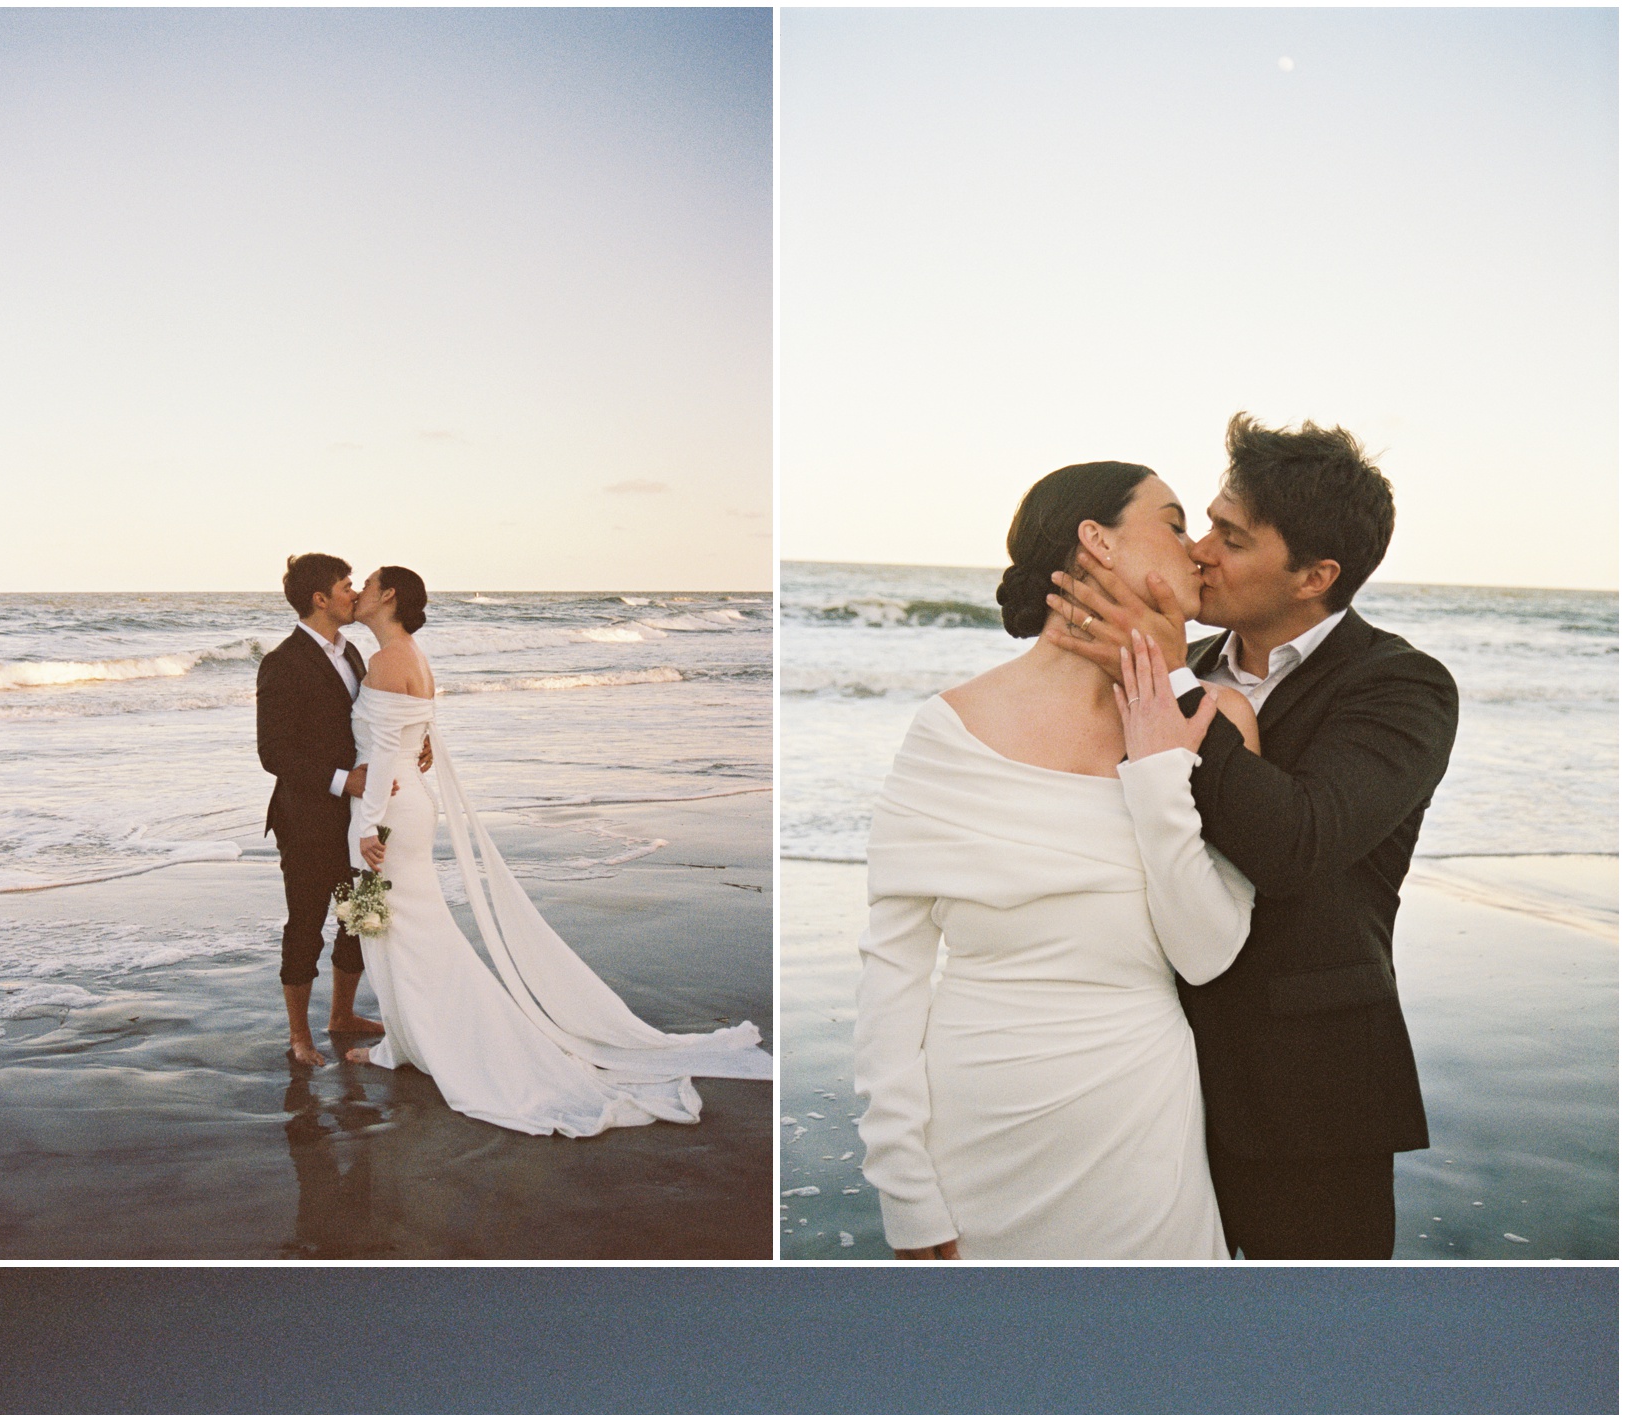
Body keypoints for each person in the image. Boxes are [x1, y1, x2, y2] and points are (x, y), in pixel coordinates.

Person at [1046, 415, 1460, 1259]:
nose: (1198, 550)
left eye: (1230, 538)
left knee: (1316, 1349)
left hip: (1309, 1094)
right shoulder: (1178, 661)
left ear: (1315, 574)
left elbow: (1299, 842)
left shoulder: (1403, 687)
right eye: (1202, 523)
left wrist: (1165, 681)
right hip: (1149, 1080)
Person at [854, 464, 1262, 1260]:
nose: (1200, 550)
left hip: (1141, 1125)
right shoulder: (950, 729)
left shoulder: (1218, 717)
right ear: (1096, 540)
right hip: (978, 1120)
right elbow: (892, 969)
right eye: (1175, 524)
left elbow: (1208, 955)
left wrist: (1156, 774)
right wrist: (901, 1177)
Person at [341, 567, 771, 1134]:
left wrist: (370, 826)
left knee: (401, 930)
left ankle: (439, 1044)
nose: (358, 592)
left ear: (388, 595)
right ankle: (404, 1040)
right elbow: (412, 741)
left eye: (366, 583)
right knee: (386, 926)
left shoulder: (387, 661)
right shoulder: (412, 656)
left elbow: (383, 757)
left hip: (386, 812)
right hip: (403, 803)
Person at [257, 553, 391, 1067]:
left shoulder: (353, 653)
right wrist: (343, 781)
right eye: (345, 586)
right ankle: (300, 1036)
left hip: (362, 814)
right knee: (307, 923)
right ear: (320, 599)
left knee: (362, 916)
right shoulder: (282, 662)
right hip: (308, 815)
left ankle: (342, 1015)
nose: (354, 594)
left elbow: (369, 721)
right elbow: (274, 751)